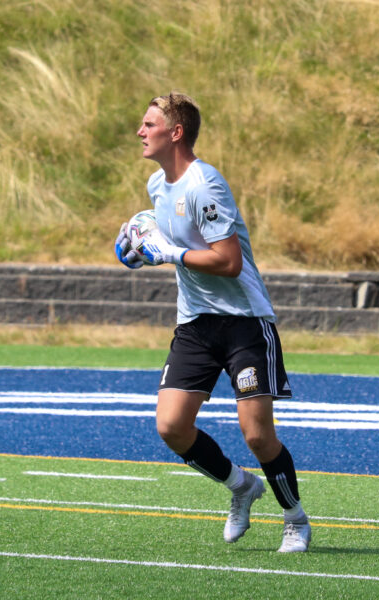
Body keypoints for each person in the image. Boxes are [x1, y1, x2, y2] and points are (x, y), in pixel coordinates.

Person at [114, 92, 310, 553]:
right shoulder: (157, 186)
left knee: (258, 435)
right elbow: (163, 235)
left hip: (243, 322)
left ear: (175, 132)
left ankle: (295, 519)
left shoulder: (207, 185)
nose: (140, 132)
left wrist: (171, 254)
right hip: (195, 324)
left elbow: (228, 261)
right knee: (171, 427)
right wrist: (140, 240)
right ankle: (240, 485)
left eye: (149, 124)